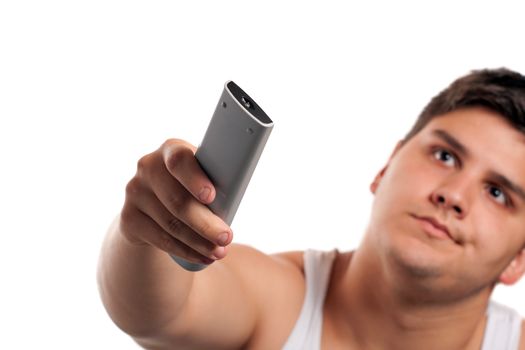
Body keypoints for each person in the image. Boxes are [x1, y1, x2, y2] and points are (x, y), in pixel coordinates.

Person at [97, 68, 525, 350]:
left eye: (498, 193)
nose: (453, 194)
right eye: (445, 157)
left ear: (518, 259)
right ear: (385, 168)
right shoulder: (281, 299)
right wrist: (143, 232)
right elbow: (159, 313)